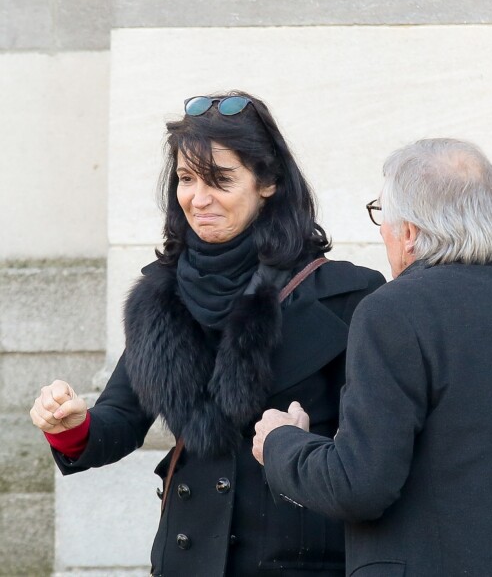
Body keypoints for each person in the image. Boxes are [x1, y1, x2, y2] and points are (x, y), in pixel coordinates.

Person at [29, 91, 385, 577]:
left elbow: (376, 454)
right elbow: (120, 418)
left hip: (304, 560)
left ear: (269, 182)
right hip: (187, 558)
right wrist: (70, 426)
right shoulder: (159, 298)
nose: (198, 198)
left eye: (220, 179)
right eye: (186, 179)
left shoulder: (346, 295)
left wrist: (304, 449)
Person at [253, 138, 492, 577]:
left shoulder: (394, 311)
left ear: (408, 232)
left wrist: (281, 443)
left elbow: (359, 485)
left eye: (381, 216)